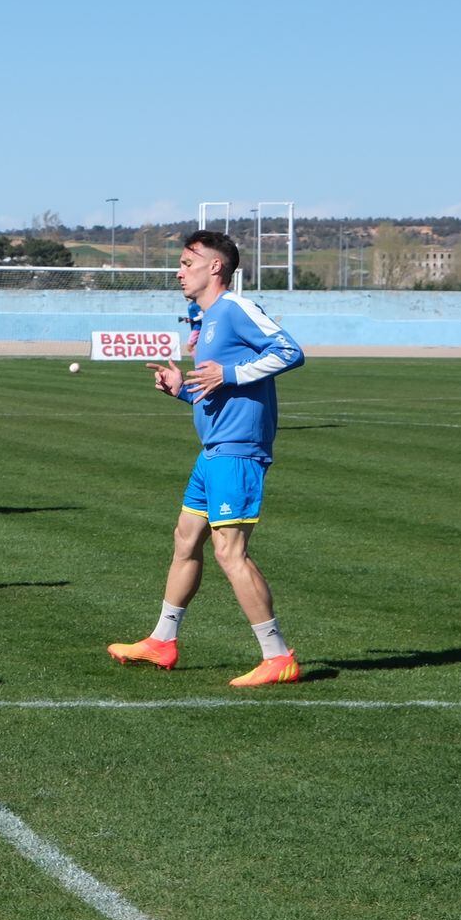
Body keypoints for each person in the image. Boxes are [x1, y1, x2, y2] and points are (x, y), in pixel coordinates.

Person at [108, 230, 307, 687]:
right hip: (213, 450)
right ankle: (162, 639)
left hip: (238, 452)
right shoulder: (209, 318)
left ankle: (278, 656)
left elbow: (291, 352)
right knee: (185, 540)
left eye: (187, 262)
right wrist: (182, 390)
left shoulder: (236, 308)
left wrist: (230, 372)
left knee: (229, 551)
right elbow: (219, 390)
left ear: (215, 267)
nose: (179, 271)